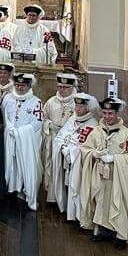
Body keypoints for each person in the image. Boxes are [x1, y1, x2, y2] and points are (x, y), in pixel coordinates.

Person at [79, 98, 128, 249]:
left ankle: (121, 236)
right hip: (100, 176)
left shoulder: (127, 135)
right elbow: (84, 148)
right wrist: (93, 154)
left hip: (118, 177)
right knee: (101, 203)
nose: (107, 116)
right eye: (104, 113)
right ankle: (102, 231)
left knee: (118, 204)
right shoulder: (96, 131)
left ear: (117, 113)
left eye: (110, 113)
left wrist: (114, 158)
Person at [52, 92, 99, 221]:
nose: (77, 109)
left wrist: (69, 151)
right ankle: (67, 210)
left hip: (79, 163)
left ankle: (77, 215)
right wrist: (62, 147)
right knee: (66, 185)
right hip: (66, 158)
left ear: (88, 108)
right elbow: (61, 136)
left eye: (81, 107)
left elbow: (85, 147)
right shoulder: (73, 119)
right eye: (76, 106)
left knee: (76, 188)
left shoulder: (92, 125)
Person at [2, 73, 43, 210]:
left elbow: (37, 124)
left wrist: (19, 132)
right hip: (9, 137)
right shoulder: (7, 98)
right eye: (17, 85)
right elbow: (3, 117)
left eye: (23, 85)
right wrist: (9, 129)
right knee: (10, 163)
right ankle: (10, 188)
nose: (19, 88)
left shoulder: (36, 102)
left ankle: (24, 191)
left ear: (29, 86)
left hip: (26, 141)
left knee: (25, 166)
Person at [42, 73, 79, 201]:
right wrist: (49, 124)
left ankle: (66, 198)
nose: (61, 90)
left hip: (69, 141)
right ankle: (52, 196)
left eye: (65, 87)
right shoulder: (51, 102)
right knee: (52, 165)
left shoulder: (77, 103)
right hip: (52, 138)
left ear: (72, 87)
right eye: (59, 86)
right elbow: (43, 118)